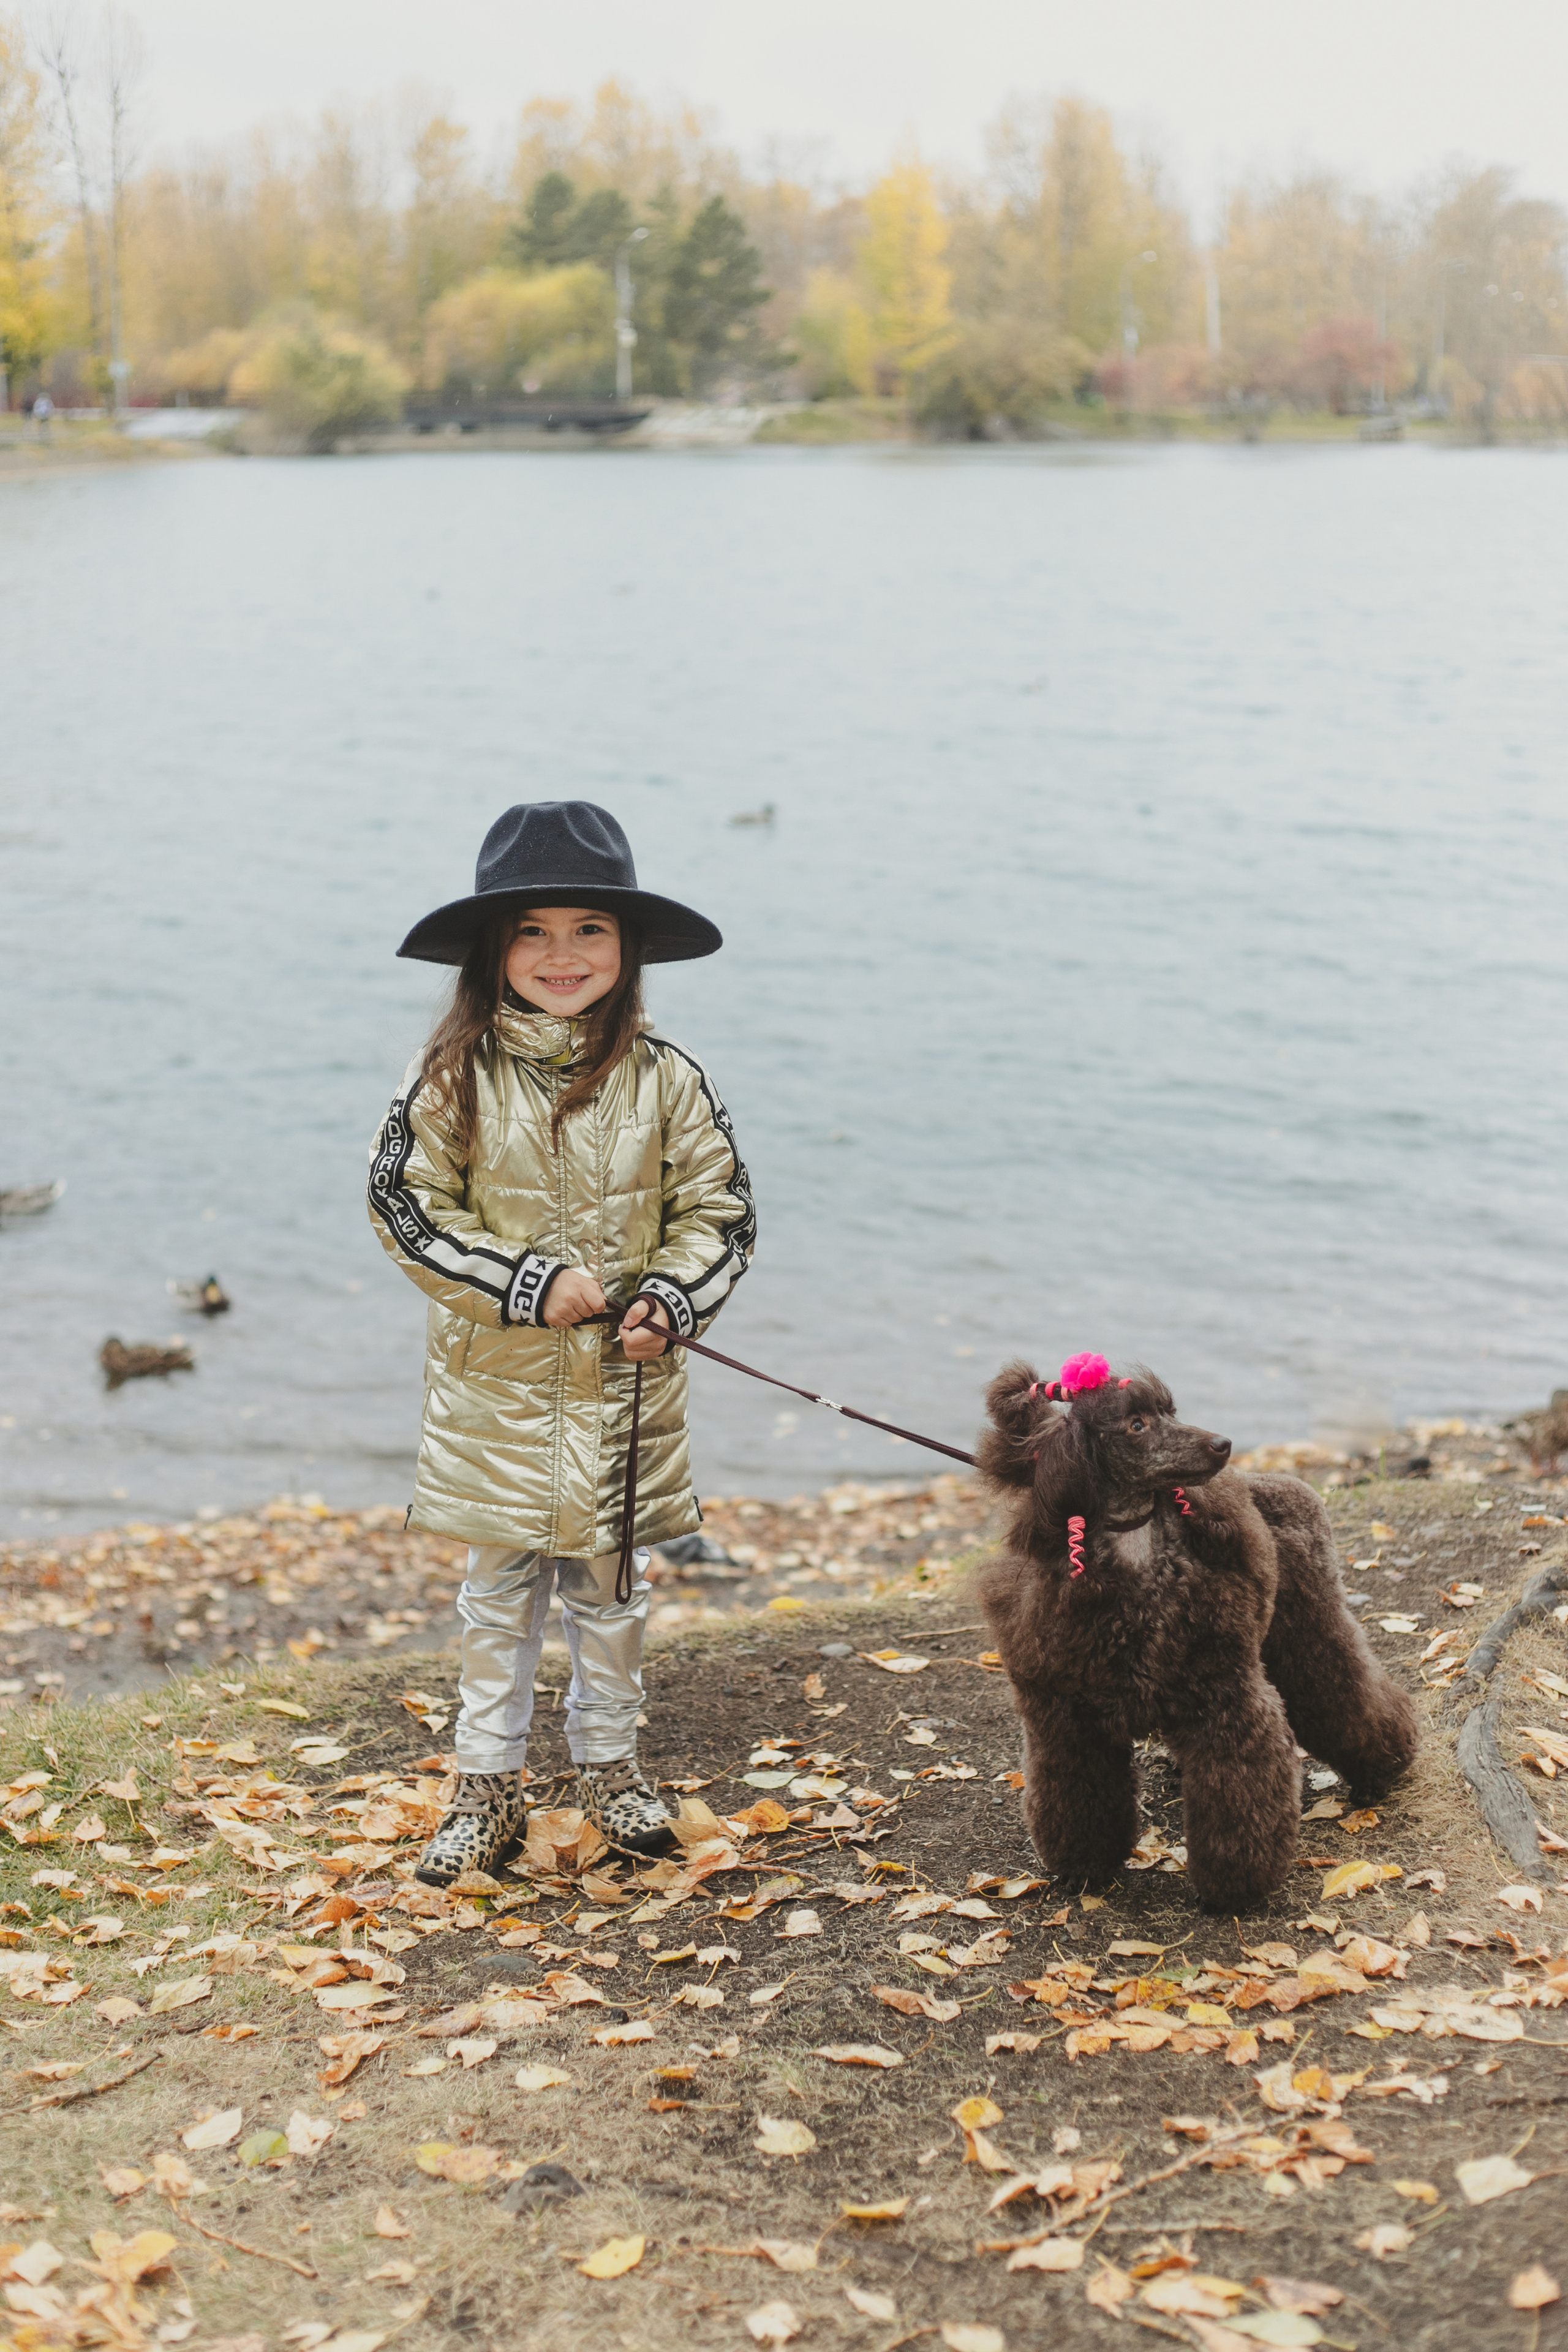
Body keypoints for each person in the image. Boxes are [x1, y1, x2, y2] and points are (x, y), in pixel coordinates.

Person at [369, 800, 755, 1883]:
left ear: (628, 948)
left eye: (590, 928)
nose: (562, 954)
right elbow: (404, 1208)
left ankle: (610, 1770)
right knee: (499, 1597)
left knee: (612, 1586)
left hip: (629, 1390)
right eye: (533, 930)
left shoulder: (668, 1076)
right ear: (494, 949)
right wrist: (525, 1283)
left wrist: (671, 1303)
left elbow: (723, 1215)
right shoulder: (451, 1072)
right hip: (496, 1393)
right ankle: (484, 1785)